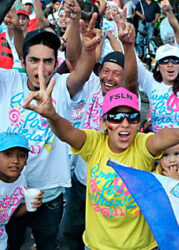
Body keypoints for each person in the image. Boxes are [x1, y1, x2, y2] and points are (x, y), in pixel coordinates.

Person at [22, 69, 179, 249]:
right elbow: (68, 133)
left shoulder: (142, 144)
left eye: (132, 117)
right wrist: (52, 116)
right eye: (116, 117)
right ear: (103, 123)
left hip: (140, 246)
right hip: (97, 246)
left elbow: (161, 138)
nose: (124, 124)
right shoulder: (94, 143)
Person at [3, 10, 101, 249]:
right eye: (34, 60)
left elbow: (81, 74)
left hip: (50, 194)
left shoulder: (60, 88)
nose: (41, 68)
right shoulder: (7, 82)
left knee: (48, 244)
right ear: (23, 60)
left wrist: (88, 51)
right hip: (8, 191)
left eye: (48, 61)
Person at [62, 10, 135, 249]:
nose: (110, 77)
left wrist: (127, 45)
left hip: (109, 187)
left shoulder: (125, 99)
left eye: (117, 73)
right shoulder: (92, 84)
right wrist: (76, 26)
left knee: (100, 239)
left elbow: (132, 81)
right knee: (71, 233)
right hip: (81, 179)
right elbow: (73, 58)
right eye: (106, 70)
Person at [0, 132, 43, 250]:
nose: (15, 160)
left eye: (22, 155)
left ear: (26, 160)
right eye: (8, 154)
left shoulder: (20, 180)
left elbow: (7, 215)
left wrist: (30, 205)